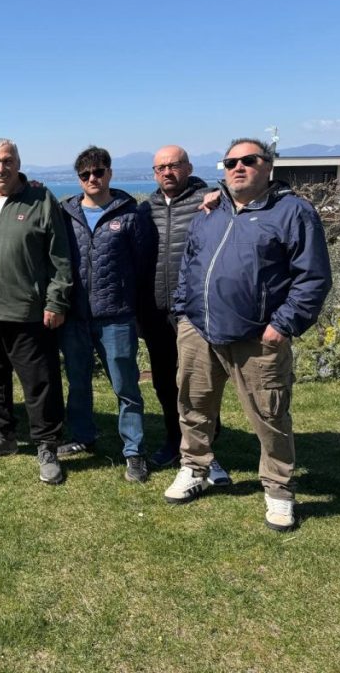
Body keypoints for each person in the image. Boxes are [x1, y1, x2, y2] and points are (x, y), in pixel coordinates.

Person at [166, 138, 331, 532]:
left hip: (257, 338)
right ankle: (195, 467)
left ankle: (278, 489)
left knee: (269, 415)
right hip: (199, 330)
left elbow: (313, 278)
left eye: (248, 160)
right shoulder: (211, 211)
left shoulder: (292, 212)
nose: (238, 167)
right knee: (193, 405)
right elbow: (189, 263)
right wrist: (182, 310)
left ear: (267, 166)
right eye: (230, 161)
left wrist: (283, 325)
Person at [0, 139, 71, 483]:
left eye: (7, 161)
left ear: (18, 162)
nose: (0, 168)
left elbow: (60, 258)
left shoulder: (41, 201)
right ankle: (2, 435)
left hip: (27, 312)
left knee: (40, 383)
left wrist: (56, 301)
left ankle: (46, 445)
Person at [57, 146, 153, 483]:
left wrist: (137, 311)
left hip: (116, 316)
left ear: (109, 173)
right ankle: (83, 436)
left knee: (125, 385)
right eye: (85, 175)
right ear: (79, 179)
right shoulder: (65, 214)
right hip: (75, 316)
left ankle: (134, 450)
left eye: (98, 172)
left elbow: (144, 267)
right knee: (78, 381)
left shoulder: (129, 215)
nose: (93, 179)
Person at [137, 145, 230, 484]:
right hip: (156, 311)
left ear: (188, 167)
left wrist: (224, 192)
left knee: (199, 384)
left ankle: (207, 445)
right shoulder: (146, 209)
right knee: (165, 382)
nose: (167, 172)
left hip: (195, 311)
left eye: (174, 165)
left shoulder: (212, 201)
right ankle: (174, 439)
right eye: (160, 167)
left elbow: (261, 193)